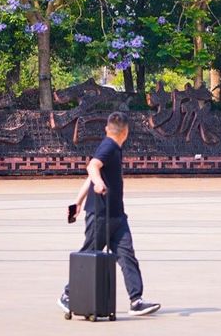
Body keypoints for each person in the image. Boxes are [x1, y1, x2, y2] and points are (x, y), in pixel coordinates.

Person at [58, 111, 161, 317]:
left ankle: (136, 300)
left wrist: (78, 202)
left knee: (127, 255)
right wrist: (98, 183)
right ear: (126, 132)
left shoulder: (113, 148)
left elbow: (92, 173)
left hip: (116, 215)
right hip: (100, 214)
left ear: (107, 128)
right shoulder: (109, 146)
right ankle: (68, 295)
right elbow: (92, 167)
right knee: (89, 254)